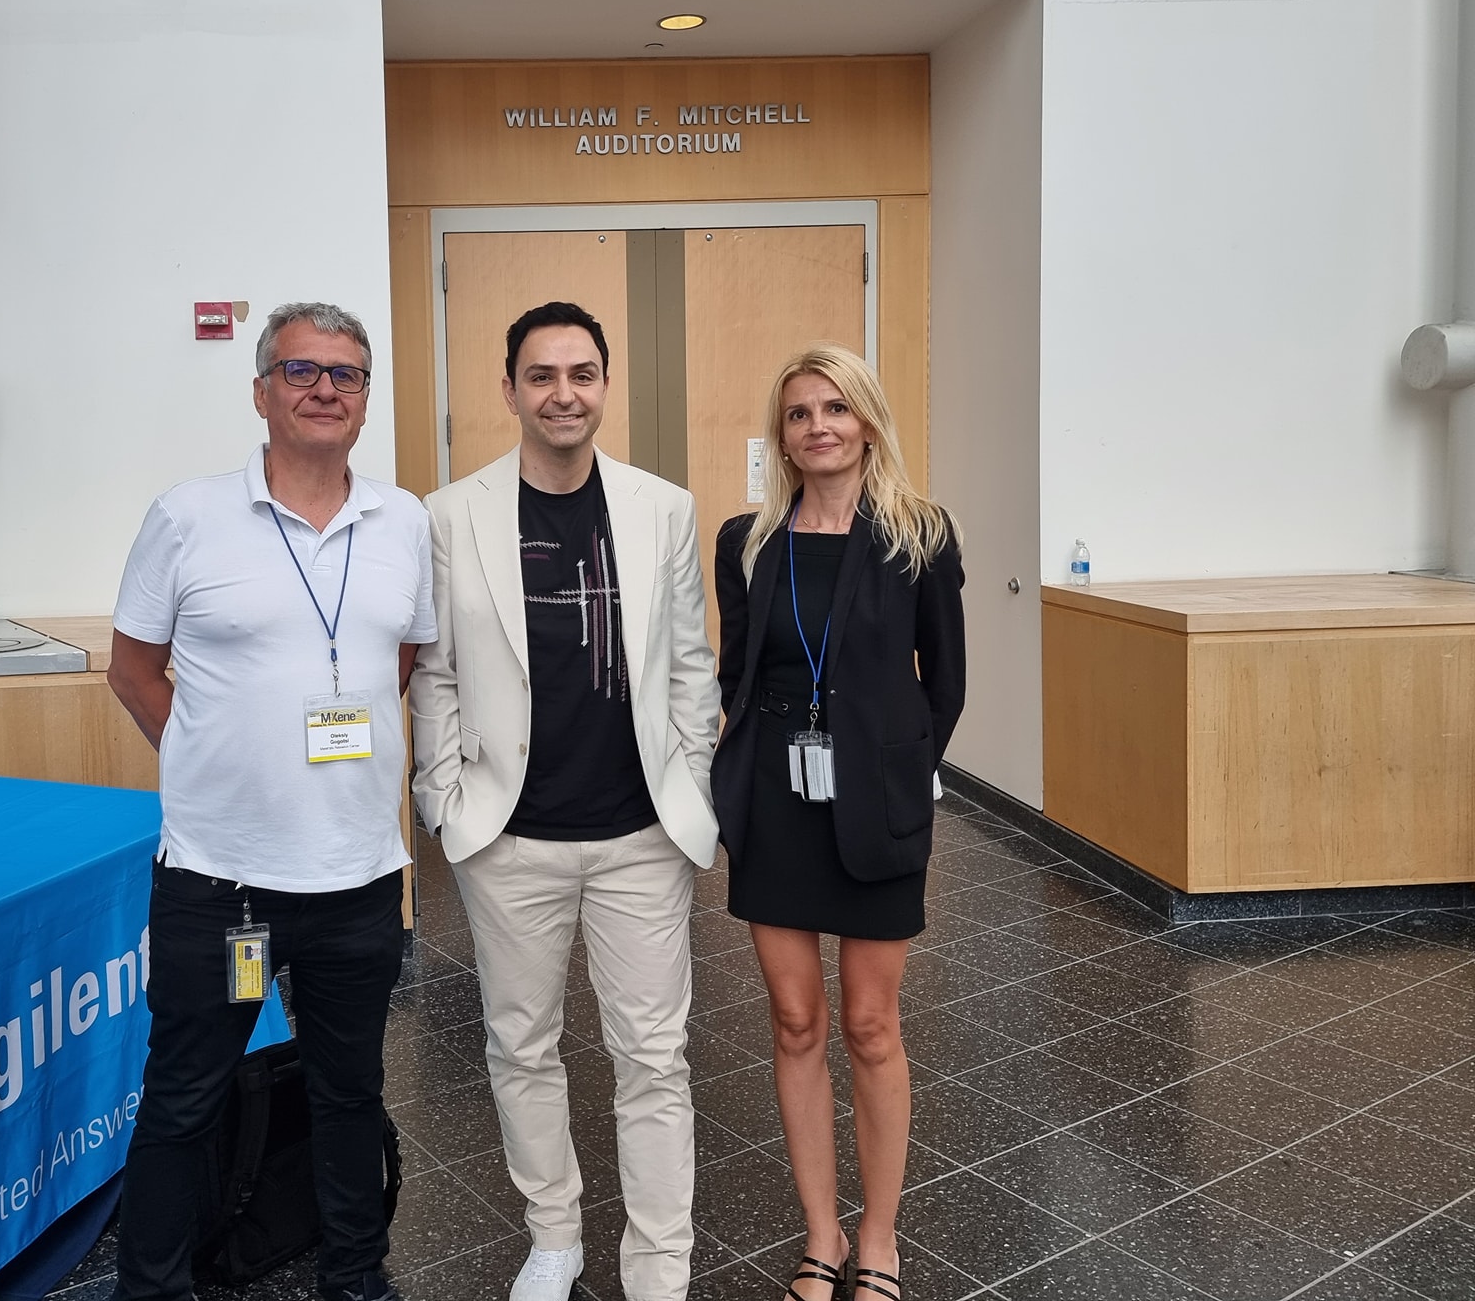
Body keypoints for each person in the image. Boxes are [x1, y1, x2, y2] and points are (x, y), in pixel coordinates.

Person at [107, 301, 433, 1301]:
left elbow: (400, 661)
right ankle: (152, 1289)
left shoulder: (404, 521)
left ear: (365, 398)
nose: (324, 388)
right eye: (301, 371)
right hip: (222, 882)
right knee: (183, 1101)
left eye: (346, 374)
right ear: (260, 392)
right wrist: (215, 761)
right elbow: (132, 670)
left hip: (358, 879)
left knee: (349, 1095)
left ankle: (355, 1277)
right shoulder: (187, 517)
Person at [410, 301, 720, 1301]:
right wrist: (442, 798)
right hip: (510, 836)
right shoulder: (449, 515)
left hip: (640, 835)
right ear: (508, 390)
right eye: (540, 376)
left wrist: (691, 789)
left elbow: (690, 665)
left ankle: (659, 1262)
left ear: (605, 384)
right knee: (521, 1046)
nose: (562, 394)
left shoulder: (661, 508)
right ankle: (554, 1236)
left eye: (581, 374)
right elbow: (436, 674)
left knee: (654, 1058)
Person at [709, 345, 964, 1301]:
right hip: (776, 805)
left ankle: (880, 1237)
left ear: (866, 422)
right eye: (799, 413)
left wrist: (895, 767)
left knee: (870, 1024)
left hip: (875, 806)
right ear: (781, 437)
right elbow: (738, 673)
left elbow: (947, 681)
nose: (818, 426)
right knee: (795, 1020)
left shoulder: (919, 536)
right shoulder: (747, 540)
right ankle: (822, 1235)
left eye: (835, 408)